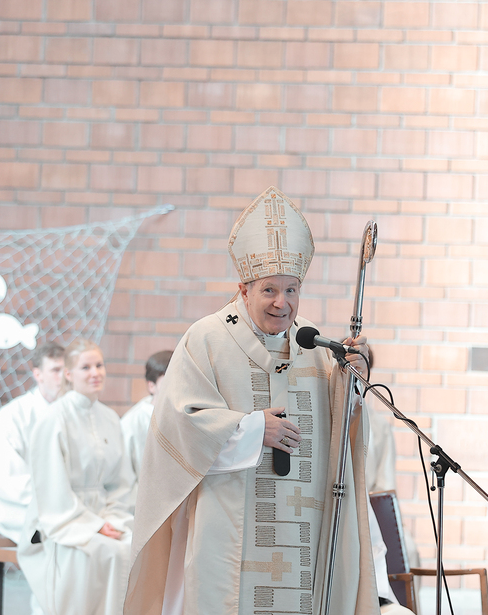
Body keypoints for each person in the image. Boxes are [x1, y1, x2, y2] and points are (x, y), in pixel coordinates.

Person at [125, 186, 379, 615]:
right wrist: (253, 429)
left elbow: (339, 427)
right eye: (269, 290)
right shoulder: (206, 339)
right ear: (243, 289)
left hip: (303, 525)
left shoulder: (314, 344)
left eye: (292, 290)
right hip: (229, 523)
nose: (283, 303)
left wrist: (351, 379)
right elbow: (180, 424)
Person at [17, 337, 134, 615]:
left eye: (99, 365)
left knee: (131, 547)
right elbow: (52, 488)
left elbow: (121, 483)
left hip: (106, 514)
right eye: (86, 367)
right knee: (100, 551)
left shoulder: (110, 418)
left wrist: (111, 518)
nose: (95, 373)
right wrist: (94, 525)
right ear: (68, 374)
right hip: (64, 519)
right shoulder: (53, 419)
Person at [0, 341, 65, 543]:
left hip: (66, 509)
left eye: (67, 370)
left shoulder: (74, 413)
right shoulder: (13, 415)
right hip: (21, 512)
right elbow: (4, 477)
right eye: (56, 370)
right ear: (38, 374)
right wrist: (57, 497)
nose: (63, 377)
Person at [121, 349, 173, 521]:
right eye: (168, 382)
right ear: (152, 386)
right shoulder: (132, 422)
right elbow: (125, 477)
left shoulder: (189, 416)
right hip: (144, 509)